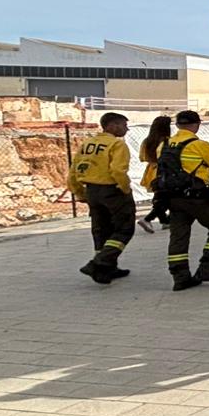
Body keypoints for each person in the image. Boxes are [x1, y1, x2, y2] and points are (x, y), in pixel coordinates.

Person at [160, 110, 209, 291]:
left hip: (173, 197)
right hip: (197, 196)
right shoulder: (199, 145)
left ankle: (180, 277)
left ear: (177, 125)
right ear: (196, 125)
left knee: (178, 236)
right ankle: (207, 268)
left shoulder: (164, 145)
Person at [69, 111, 135, 285]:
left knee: (101, 230)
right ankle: (99, 263)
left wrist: (80, 193)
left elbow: (74, 172)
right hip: (112, 191)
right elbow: (118, 171)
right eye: (123, 125)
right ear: (112, 126)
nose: (126, 129)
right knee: (124, 229)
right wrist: (125, 189)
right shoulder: (116, 145)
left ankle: (106, 270)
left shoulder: (87, 145)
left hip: (92, 191)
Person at [136, 114, 173, 234]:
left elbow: (142, 157)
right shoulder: (167, 141)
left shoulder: (147, 141)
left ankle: (165, 221)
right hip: (164, 172)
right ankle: (148, 219)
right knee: (166, 199)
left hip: (151, 171)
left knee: (159, 197)